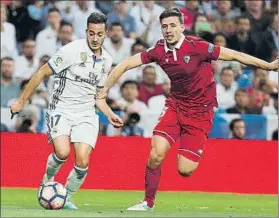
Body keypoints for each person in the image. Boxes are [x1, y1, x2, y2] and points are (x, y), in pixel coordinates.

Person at [97, 7, 278, 211]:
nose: (168, 30)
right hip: (175, 105)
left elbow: (235, 55)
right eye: (164, 26)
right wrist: (103, 91)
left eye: (173, 25)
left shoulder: (198, 47)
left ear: (182, 27)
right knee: (156, 154)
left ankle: (188, 147)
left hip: (200, 113)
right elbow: (126, 64)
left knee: (185, 170)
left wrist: (268, 66)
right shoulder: (159, 50)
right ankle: (148, 202)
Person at [10, 12, 123, 209]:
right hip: (62, 107)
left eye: (99, 34)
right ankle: (46, 181)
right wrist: (21, 101)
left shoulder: (106, 60)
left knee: (82, 160)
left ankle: (66, 197)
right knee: (62, 152)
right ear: (86, 32)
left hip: (86, 112)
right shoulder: (71, 50)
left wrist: (109, 113)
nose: (95, 38)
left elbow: (98, 96)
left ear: (105, 34)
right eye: (92, 33)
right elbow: (41, 73)